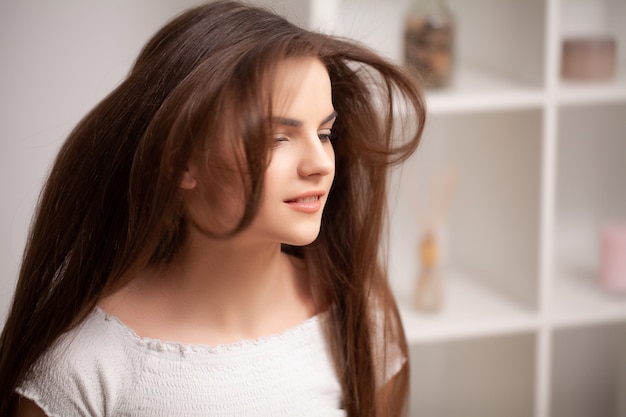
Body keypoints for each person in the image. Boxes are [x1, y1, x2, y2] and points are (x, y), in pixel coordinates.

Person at [0, 1, 426, 416]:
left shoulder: (358, 316)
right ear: (180, 160)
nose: (319, 164)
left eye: (325, 133)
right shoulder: (84, 369)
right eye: (279, 138)